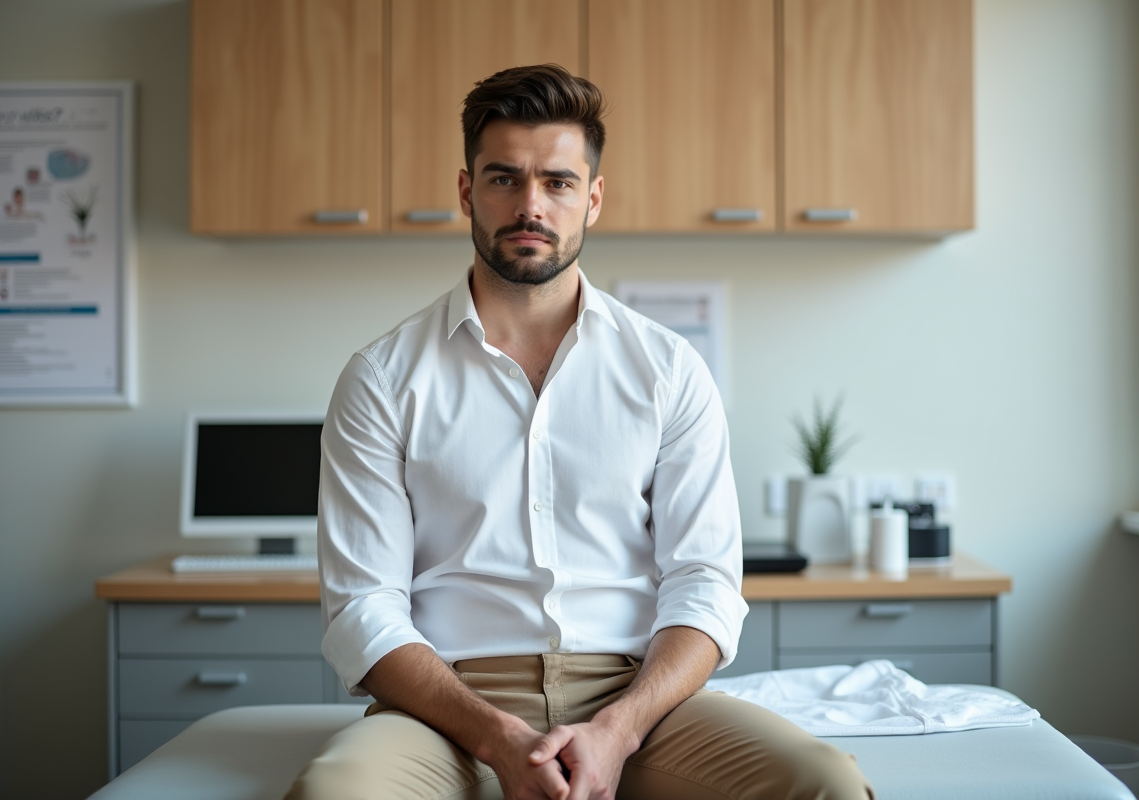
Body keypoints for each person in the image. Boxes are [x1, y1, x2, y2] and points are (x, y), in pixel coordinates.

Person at [287, 64, 873, 800]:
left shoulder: (667, 369)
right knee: (332, 795)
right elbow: (363, 608)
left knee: (823, 785)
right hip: (450, 705)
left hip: (638, 697)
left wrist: (619, 730)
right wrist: (498, 737)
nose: (530, 204)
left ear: (593, 199)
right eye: (504, 178)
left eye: (558, 182)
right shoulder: (381, 378)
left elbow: (705, 586)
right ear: (466, 191)